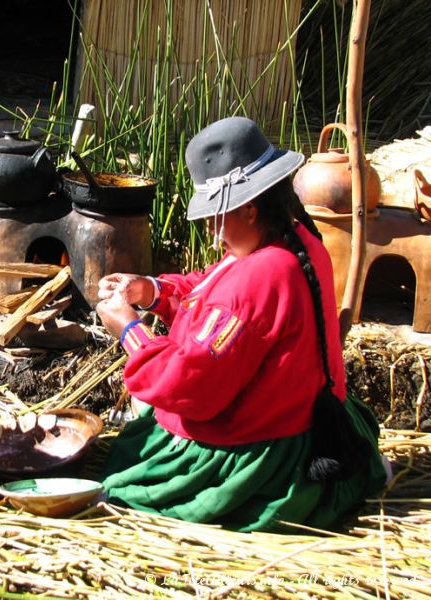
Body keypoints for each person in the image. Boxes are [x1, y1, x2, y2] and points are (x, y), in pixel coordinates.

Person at [95, 117, 388, 532]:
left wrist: (129, 329)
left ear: (249, 208)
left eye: (216, 218)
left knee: (125, 480)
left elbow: (191, 382)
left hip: (264, 448)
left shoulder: (264, 275)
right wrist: (152, 291)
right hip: (312, 413)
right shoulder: (295, 237)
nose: (212, 233)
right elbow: (214, 284)